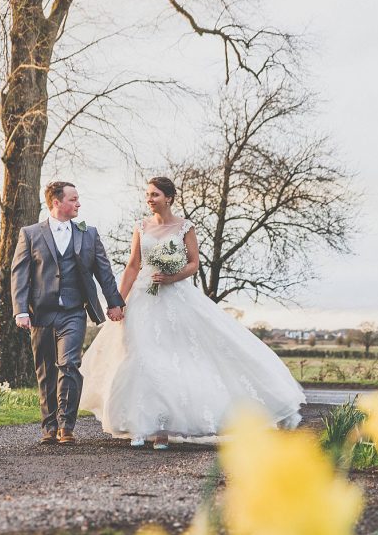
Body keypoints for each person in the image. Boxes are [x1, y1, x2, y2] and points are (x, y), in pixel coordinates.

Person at [80, 177, 304, 449]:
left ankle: (162, 429)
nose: (150, 199)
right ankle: (139, 425)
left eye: (155, 194)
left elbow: (193, 263)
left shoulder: (185, 227)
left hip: (175, 299)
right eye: (147, 194)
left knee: (168, 360)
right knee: (139, 357)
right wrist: (118, 301)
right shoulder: (141, 227)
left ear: (169, 197)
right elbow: (132, 266)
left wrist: (172, 276)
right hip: (143, 299)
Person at [11, 181, 125, 445]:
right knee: (45, 370)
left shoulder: (89, 233)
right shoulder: (30, 234)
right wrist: (20, 311)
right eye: (73, 199)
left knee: (70, 364)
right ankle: (49, 426)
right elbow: (20, 275)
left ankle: (66, 426)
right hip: (40, 312)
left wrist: (114, 302)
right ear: (56, 202)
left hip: (74, 311)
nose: (78, 204)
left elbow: (104, 271)